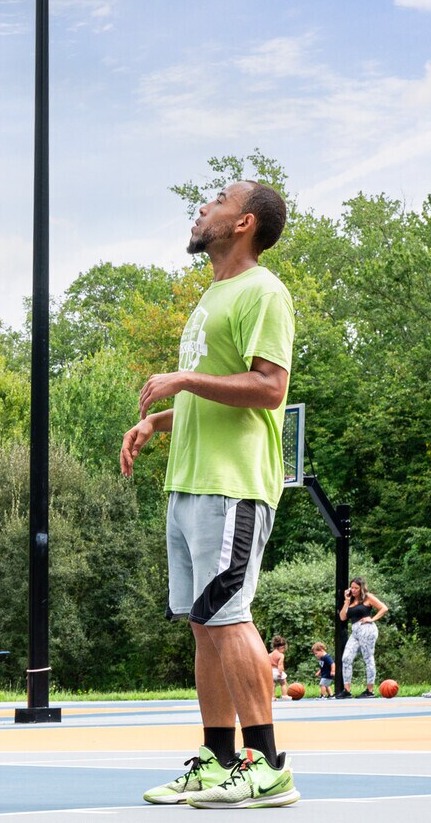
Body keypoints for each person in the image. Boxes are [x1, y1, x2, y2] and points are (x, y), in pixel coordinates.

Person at [121, 180, 299, 808]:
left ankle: (269, 765)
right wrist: (157, 422)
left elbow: (268, 388)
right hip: (189, 483)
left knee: (229, 616)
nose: (202, 209)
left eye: (217, 201)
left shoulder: (264, 291)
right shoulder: (212, 296)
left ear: (244, 222)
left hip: (233, 486)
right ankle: (219, 760)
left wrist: (183, 379)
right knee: (204, 625)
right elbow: (209, 400)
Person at [337, 578, 387, 697]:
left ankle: (370, 690)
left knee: (368, 658)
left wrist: (372, 618)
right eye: (352, 587)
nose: (353, 590)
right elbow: (342, 617)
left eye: (356, 588)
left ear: (361, 588)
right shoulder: (350, 600)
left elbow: (384, 608)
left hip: (367, 629)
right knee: (346, 658)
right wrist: (347, 600)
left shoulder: (368, 597)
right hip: (355, 631)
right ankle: (347, 690)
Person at [267, 635, 287, 700]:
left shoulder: (269, 655)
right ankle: (284, 695)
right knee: (283, 683)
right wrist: (280, 672)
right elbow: (280, 664)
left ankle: (273, 697)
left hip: (271, 671)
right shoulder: (281, 655)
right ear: (282, 647)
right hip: (278, 670)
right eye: (284, 648)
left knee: (272, 684)